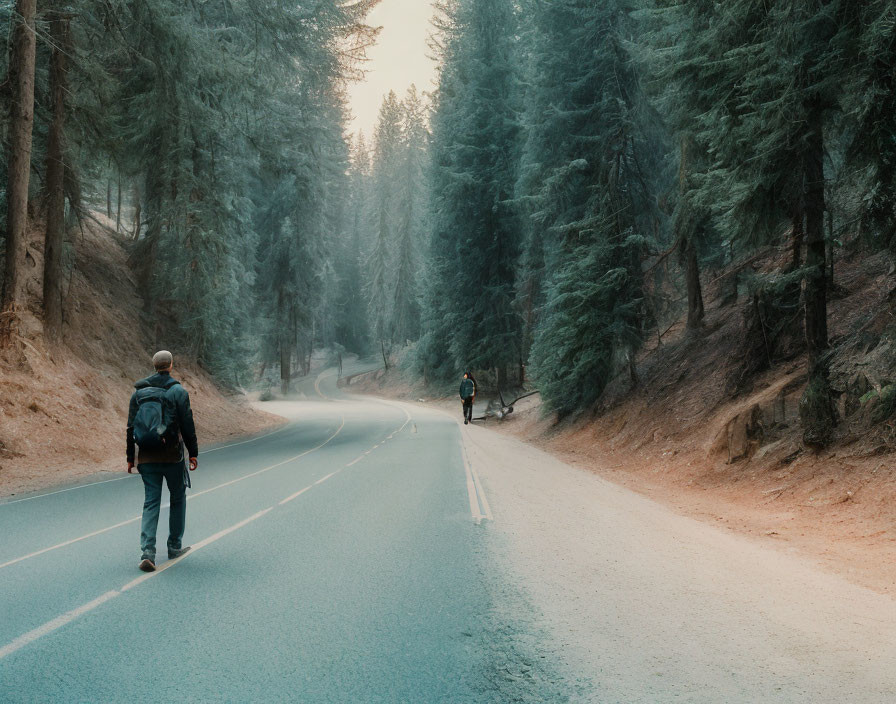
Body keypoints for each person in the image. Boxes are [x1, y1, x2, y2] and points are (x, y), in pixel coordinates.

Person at [127, 350, 199, 572]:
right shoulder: (178, 391)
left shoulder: (138, 394)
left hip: (146, 456)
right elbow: (187, 424)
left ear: (154, 365)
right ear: (171, 365)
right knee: (178, 497)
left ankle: (147, 552)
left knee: (151, 502)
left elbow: (131, 427)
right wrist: (193, 452)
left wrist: (131, 457)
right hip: (172, 455)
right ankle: (174, 546)